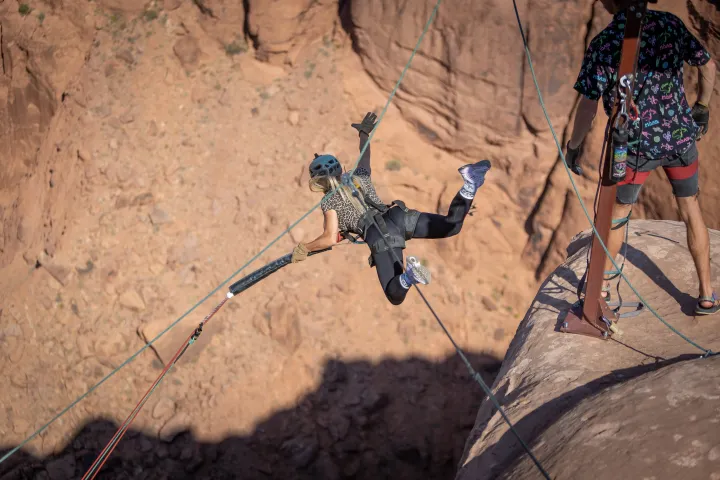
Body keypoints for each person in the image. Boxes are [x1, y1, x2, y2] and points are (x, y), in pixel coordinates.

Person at [566, 0, 717, 315]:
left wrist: (574, 144)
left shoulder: (605, 42)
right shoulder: (669, 24)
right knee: (691, 209)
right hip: (680, 136)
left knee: (618, 214)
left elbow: (588, 105)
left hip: (635, 145)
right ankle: (707, 294)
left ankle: (602, 292)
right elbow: (707, 64)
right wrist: (701, 107)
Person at [290, 111, 491, 305]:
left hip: (380, 235)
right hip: (398, 216)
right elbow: (365, 153)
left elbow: (329, 238)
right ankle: (470, 184)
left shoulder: (329, 201)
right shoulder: (358, 176)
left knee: (394, 295)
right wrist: (363, 133)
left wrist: (304, 249)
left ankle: (409, 277)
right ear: (339, 169)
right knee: (451, 226)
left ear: (318, 182)